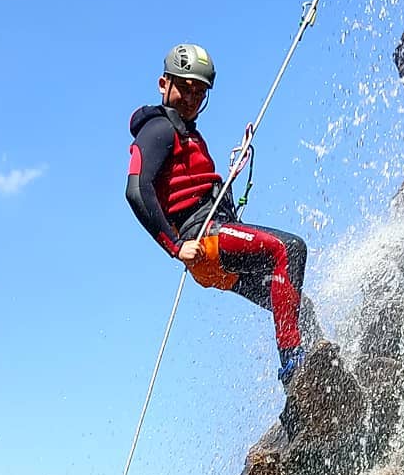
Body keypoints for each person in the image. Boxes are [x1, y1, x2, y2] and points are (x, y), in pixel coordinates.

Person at [126, 43, 309, 386]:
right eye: (184, 87)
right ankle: (292, 363)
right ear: (164, 84)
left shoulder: (187, 133)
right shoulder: (159, 129)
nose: (191, 97)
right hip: (205, 238)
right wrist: (176, 246)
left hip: (213, 253)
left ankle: (309, 369)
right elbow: (136, 190)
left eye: (199, 91)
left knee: (293, 303)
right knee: (289, 250)